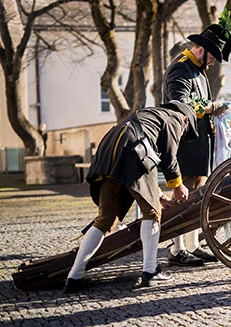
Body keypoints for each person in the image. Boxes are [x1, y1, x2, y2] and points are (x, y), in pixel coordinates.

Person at [64, 101, 197, 293]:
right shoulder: (175, 118)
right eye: (186, 131)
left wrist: (159, 197)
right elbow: (169, 157)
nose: (183, 134)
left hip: (110, 149)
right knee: (152, 214)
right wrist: (178, 185)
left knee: (105, 219)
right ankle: (150, 271)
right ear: (186, 120)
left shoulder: (149, 114)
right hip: (134, 150)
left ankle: (74, 277)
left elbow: (135, 179)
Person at [161, 9, 231, 267]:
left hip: (199, 143)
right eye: (214, 56)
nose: (215, 61)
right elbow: (180, 105)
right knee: (181, 196)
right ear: (200, 49)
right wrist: (212, 107)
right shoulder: (180, 69)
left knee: (197, 193)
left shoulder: (198, 69)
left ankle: (192, 244)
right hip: (184, 142)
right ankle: (177, 247)